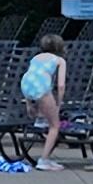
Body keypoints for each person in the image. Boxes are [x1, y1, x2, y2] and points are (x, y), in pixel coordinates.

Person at [16, 33, 69, 167]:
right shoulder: (59, 60)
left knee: (43, 111)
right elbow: (61, 85)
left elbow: (32, 76)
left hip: (26, 84)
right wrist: (58, 104)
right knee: (55, 126)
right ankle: (44, 160)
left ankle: (40, 119)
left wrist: (28, 104)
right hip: (41, 87)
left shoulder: (36, 58)